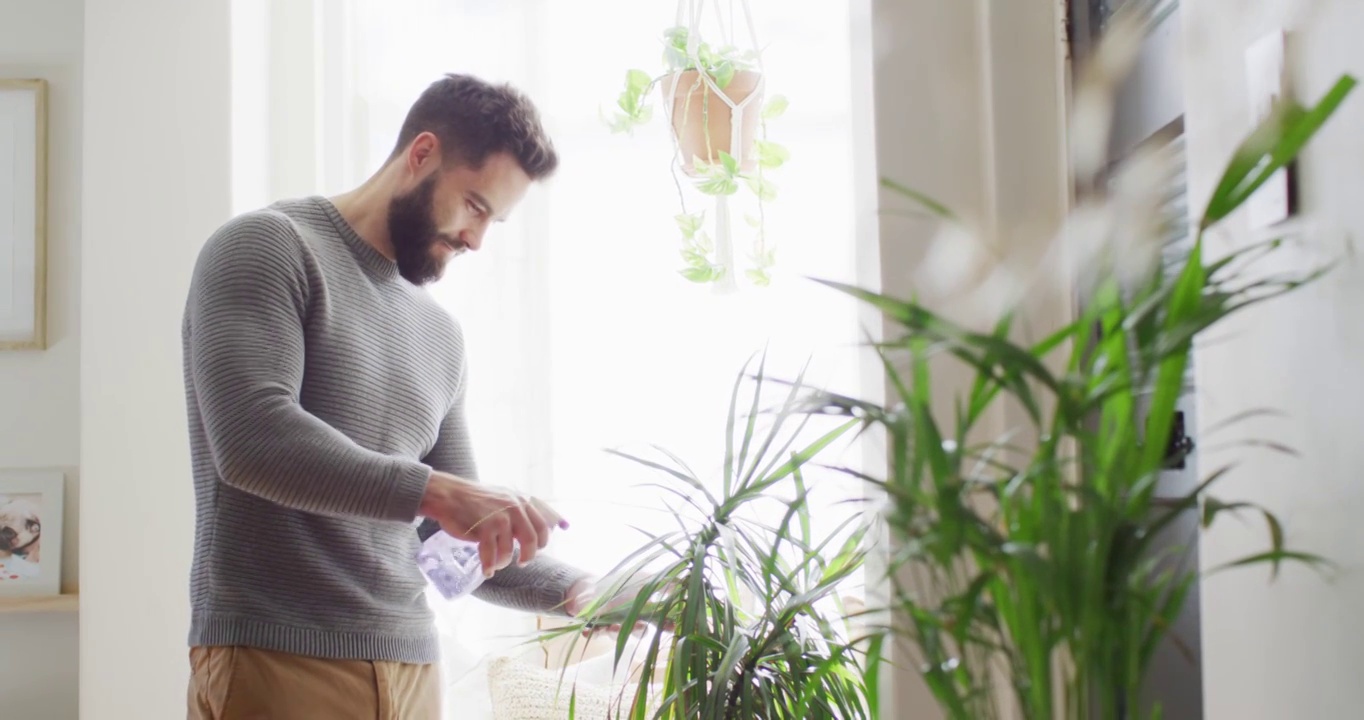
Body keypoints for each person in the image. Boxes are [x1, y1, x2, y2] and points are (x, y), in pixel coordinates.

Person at [182, 74, 607, 719]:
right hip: (278, 654)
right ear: (421, 154)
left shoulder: (440, 333)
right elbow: (252, 441)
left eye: (494, 219)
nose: (477, 238)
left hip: (412, 665)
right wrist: (441, 490)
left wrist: (584, 591)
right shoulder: (268, 248)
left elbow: (457, 535)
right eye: (474, 205)